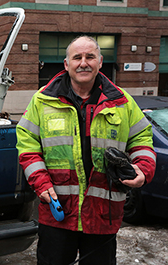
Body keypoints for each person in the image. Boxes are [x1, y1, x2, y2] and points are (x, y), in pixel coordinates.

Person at [16, 36, 156, 265]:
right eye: (77, 57)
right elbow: (28, 143)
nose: (84, 63)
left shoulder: (122, 102)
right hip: (57, 212)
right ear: (66, 64)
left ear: (100, 62)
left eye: (90, 57)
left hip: (103, 213)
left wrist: (143, 169)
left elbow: (142, 138)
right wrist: (40, 181)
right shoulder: (42, 101)